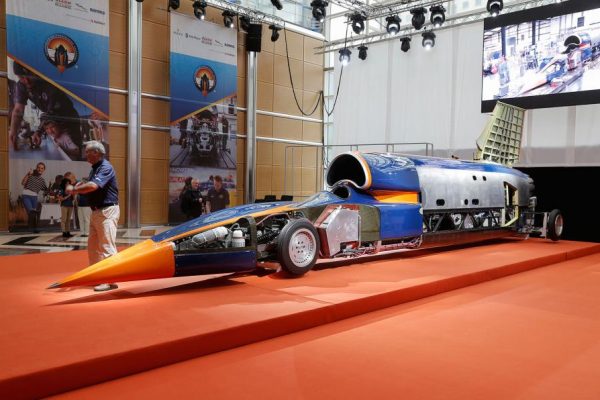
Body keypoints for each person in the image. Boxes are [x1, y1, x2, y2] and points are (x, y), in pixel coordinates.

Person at [67, 141, 119, 291]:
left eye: (88, 152)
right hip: (97, 211)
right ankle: (98, 276)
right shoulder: (95, 168)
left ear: (97, 152)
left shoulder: (105, 167)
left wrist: (74, 189)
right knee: (93, 247)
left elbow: (93, 186)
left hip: (107, 211)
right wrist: (81, 185)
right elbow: (91, 186)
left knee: (107, 246)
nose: (86, 155)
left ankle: (111, 280)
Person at [9, 62, 82, 157]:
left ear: (34, 71)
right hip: (52, 122)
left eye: (29, 75)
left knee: (74, 154)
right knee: (59, 152)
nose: (26, 81)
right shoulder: (21, 86)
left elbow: (50, 112)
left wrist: (39, 131)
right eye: (21, 77)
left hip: (68, 119)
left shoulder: (48, 80)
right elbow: (18, 110)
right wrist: (13, 131)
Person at [21, 162, 48, 233]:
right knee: (31, 212)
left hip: (34, 197)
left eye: (42, 168)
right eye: (38, 167)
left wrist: (49, 190)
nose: (40, 169)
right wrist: (28, 174)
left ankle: (33, 229)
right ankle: (32, 229)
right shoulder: (31, 175)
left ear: (43, 170)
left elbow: (46, 190)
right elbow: (23, 183)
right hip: (26, 195)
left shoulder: (42, 180)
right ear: (36, 168)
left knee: (34, 213)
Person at [58, 172, 76, 238]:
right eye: (67, 183)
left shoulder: (70, 189)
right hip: (64, 206)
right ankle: (64, 232)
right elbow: (61, 199)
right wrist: (68, 195)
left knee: (68, 220)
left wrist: (73, 194)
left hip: (70, 205)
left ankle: (68, 232)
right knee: (64, 219)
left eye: (69, 183)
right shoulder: (61, 189)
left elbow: (73, 198)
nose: (68, 184)